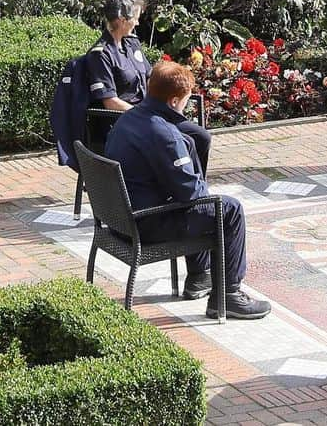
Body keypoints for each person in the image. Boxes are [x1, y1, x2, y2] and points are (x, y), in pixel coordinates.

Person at [105, 60, 270, 319]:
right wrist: (200, 185)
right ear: (173, 101)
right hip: (145, 225)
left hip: (119, 219)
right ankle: (227, 296)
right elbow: (191, 194)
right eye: (185, 100)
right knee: (229, 209)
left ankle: (200, 276)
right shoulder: (164, 134)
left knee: (208, 207)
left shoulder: (127, 120)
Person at [86, 0, 211, 176]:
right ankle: (181, 191)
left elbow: (150, 78)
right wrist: (145, 114)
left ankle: (197, 189)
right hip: (126, 121)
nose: (137, 22)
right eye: (135, 18)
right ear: (121, 19)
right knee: (186, 142)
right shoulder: (100, 54)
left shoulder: (132, 44)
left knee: (201, 137)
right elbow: (110, 102)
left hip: (151, 113)